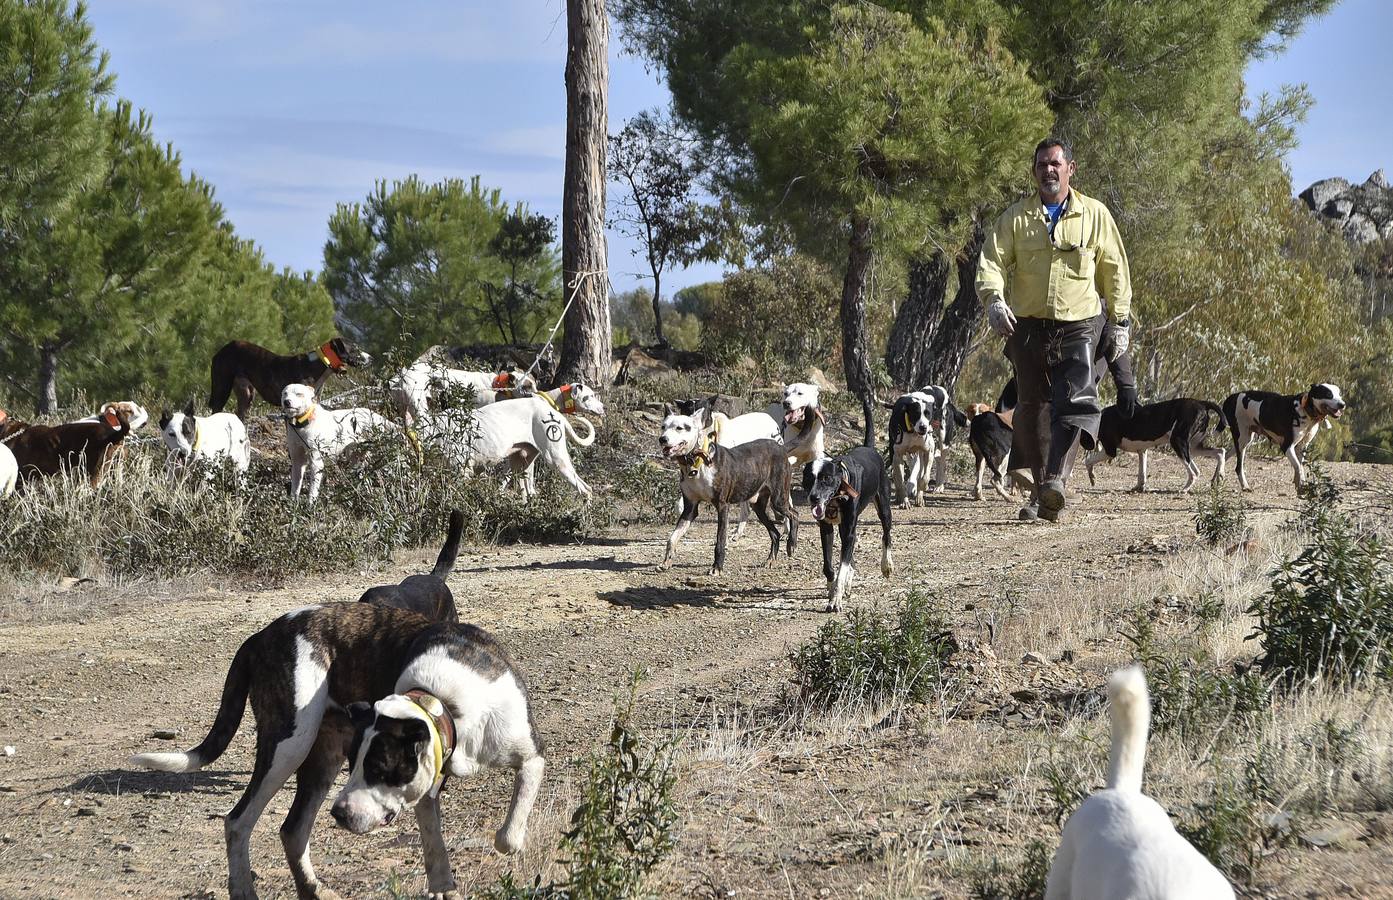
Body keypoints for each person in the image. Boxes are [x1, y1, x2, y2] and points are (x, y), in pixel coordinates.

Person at [976, 137, 1132, 521]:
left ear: (1070, 169)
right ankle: (1041, 493)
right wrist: (994, 301)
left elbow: (1115, 270)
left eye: (1055, 164)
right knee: (1032, 408)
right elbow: (991, 262)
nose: (1048, 170)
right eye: (1042, 164)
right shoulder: (1015, 218)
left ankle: (1056, 481)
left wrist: (1120, 321)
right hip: (1027, 327)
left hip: (1079, 325)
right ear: (1034, 172)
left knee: (1076, 403)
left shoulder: (1095, 215)